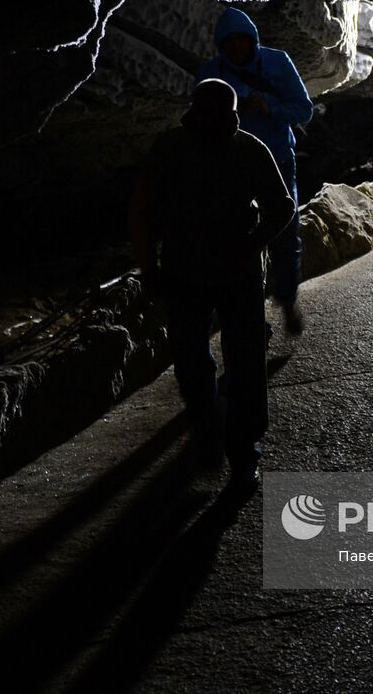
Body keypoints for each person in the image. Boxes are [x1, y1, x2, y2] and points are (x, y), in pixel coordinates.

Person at [129, 78, 296, 491]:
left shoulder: (246, 150)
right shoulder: (170, 149)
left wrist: (253, 244)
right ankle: (210, 427)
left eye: (215, 113)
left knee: (245, 359)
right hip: (188, 270)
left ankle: (243, 449)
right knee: (191, 360)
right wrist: (149, 266)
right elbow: (145, 212)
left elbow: (282, 205)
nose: (208, 120)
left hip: (231, 271)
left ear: (229, 114)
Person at [197, 7, 314, 334]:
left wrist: (270, 108)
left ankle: (288, 298)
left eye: (241, 40)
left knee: (284, 236)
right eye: (229, 41)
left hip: (276, 162)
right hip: (232, 169)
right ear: (221, 43)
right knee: (236, 240)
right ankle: (249, 316)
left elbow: (303, 109)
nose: (236, 47)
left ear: (252, 39)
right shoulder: (212, 73)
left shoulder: (277, 62)